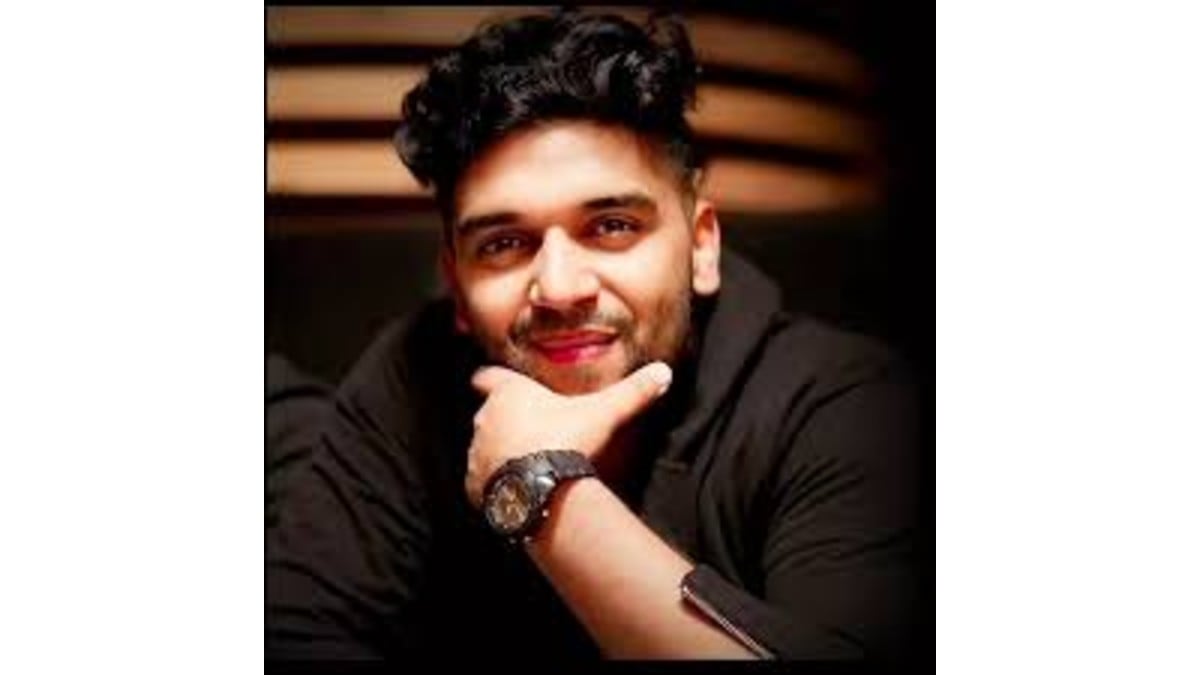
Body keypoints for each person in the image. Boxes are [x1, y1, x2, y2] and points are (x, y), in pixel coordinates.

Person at [266, 7, 922, 661]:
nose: (559, 287)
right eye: (504, 243)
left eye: (612, 227)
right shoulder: (411, 377)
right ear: (457, 287)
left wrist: (540, 483)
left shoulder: (844, 402)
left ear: (702, 247)